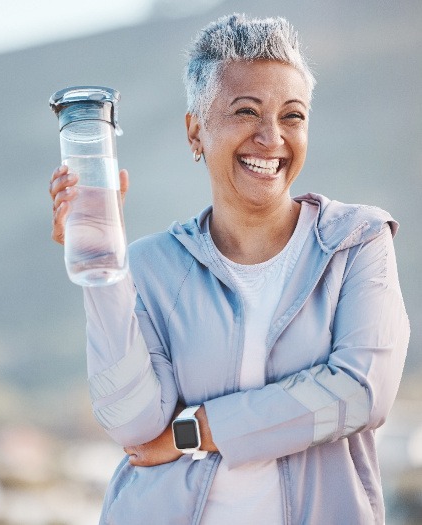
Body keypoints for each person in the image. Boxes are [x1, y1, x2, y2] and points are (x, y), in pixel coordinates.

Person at [48, 14, 409, 525]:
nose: (271, 137)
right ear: (196, 129)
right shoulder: (150, 265)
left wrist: (196, 431)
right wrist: (103, 264)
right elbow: (133, 421)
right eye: (246, 111)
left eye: (293, 116)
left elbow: (359, 393)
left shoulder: (355, 242)